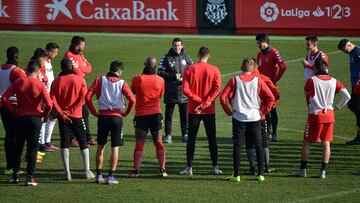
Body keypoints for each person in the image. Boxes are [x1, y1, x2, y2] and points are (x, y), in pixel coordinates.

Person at [293, 57, 351, 179]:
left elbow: (307, 94)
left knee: (307, 141)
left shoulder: (311, 80)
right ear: (327, 69)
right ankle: (323, 172)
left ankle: (303, 170)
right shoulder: (334, 81)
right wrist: (337, 107)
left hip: (315, 115)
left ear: (315, 69)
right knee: (326, 143)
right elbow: (347, 96)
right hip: (329, 115)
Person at [220, 58, 275, 182]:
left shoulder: (234, 80)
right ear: (253, 68)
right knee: (258, 144)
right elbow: (271, 97)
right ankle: (260, 174)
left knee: (238, 145)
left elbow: (223, 97)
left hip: (239, 117)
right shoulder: (258, 80)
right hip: (255, 117)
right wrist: (264, 111)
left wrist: (228, 111)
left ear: (241, 67)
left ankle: (237, 175)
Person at [3, 60, 52, 186]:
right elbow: (49, 104)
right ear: (37, 71)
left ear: (26, 71)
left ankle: (15, 176)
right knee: (32, 149)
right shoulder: (40, 84)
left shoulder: (18, 82)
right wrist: (43, 114)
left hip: (20, 118)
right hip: (35, 118)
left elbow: (4, 98)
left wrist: (13, 111)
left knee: (18, 147)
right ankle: (29, 178)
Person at [86, 60, 135, 184]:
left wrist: (93, 112)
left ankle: (99, 175)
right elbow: (132, 100)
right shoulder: (122, 83)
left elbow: (87, 97)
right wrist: (126, 113)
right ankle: (111, 177)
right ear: (119, 71)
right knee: (115, 148)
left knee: (100, 147)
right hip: (117, 117)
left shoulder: (99, 79)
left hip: (102, 116)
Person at [50, 58, 95, 181]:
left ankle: (67, 173)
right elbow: (83, 98)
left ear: (61, 67)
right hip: (77, 115)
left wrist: (61, 113)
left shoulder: (56, 82)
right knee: (83, 142)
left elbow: (52, 99)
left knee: (64, 143)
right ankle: (87, 171)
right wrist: (71, 110)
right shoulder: (80, 80)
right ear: (72, 67)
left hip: (63, 117)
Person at [180, 47, 222, 176]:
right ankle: (215, 167)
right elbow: (217, 89)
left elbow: (185, 90)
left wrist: (198, 101)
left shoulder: (189, 69)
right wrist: (205, 102)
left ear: (198, 55)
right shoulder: (214, 70)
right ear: (208, 55)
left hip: (194, 109)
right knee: (212, 139)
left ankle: (189, 167)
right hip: (209, 109)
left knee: (191, 139)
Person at [128, 57, 167, 178]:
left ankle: (135, 171)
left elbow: (133, 92)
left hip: (141, 115)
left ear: (145, 64)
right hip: (155, 114)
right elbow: (160, 95)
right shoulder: (160, 80)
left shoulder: (136, 79)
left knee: (139, 143)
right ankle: (163, 170)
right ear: (155, 67)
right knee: (159, 142)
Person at [246, 60, 280, 174]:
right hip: (261, 116)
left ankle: (252, 168)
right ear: (257, 66)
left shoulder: (243, 79)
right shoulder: (264, 79)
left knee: (250, 141)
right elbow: (276, 94)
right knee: (263, 141)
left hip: (246, 116)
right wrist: (267, 109)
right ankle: (267, 166)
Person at [158, 38, 193, 143]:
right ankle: (168, 135)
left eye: (178, 45)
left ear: (182, 46)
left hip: (184, 92)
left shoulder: (187, 57)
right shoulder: (166, 57)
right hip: (171, 92)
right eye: (175, 45)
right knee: (168, 116)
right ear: (172, 46)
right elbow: (160, 72)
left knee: (184, 116)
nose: (177, 47)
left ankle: (185, 135)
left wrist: (185, 78)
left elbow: (193, 72)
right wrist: (173, 75)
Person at [64, 36, 96, 146]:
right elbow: (78, 71)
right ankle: (72, 138)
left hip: (81, 87)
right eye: (83, 44)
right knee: (72, 112)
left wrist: (83, 68)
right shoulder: (69, 56)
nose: (84, 46)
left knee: (85, 112)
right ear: (77, 45)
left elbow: (89, 68)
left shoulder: (80, 55)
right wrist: (83, 68)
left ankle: (87, 137)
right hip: (72, 87)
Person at [0, 46, 27, 175]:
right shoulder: (17, 71)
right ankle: (14, 167)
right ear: (16, 56)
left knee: (9, 136)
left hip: (3, 107)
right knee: (16, 137)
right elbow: (24, 89)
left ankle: (9, 167)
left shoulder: (0, 69)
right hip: (14, 107)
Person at [256, 33, 287, 141]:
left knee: (272, 109)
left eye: (260, 43)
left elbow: (283, 66)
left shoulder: (274, 52)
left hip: (270, 87)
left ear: (266, 42)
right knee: (264, 109)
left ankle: (274, 132)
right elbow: (257, 71)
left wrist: (276, 79)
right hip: (261, 87)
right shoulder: (259, 54)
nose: (259, 45)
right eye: (258, 43)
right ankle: (267, 130)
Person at [337, 39, 360, 146]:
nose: (344, 52)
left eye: (345, 50)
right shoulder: (352, 53)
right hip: (355, 85)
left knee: (354, 106)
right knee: (353, 106)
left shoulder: (358, 51)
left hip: (358, 85)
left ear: (349, 45)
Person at [39, 42, 60, 152]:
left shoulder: (48, 61)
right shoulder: (41, 62)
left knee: (53, 116)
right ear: (50, 51)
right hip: (44, 95)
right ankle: (42, 143)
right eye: (55, 52)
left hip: (51, 93)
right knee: (44, 118)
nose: (56, 55)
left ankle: (47, 141)